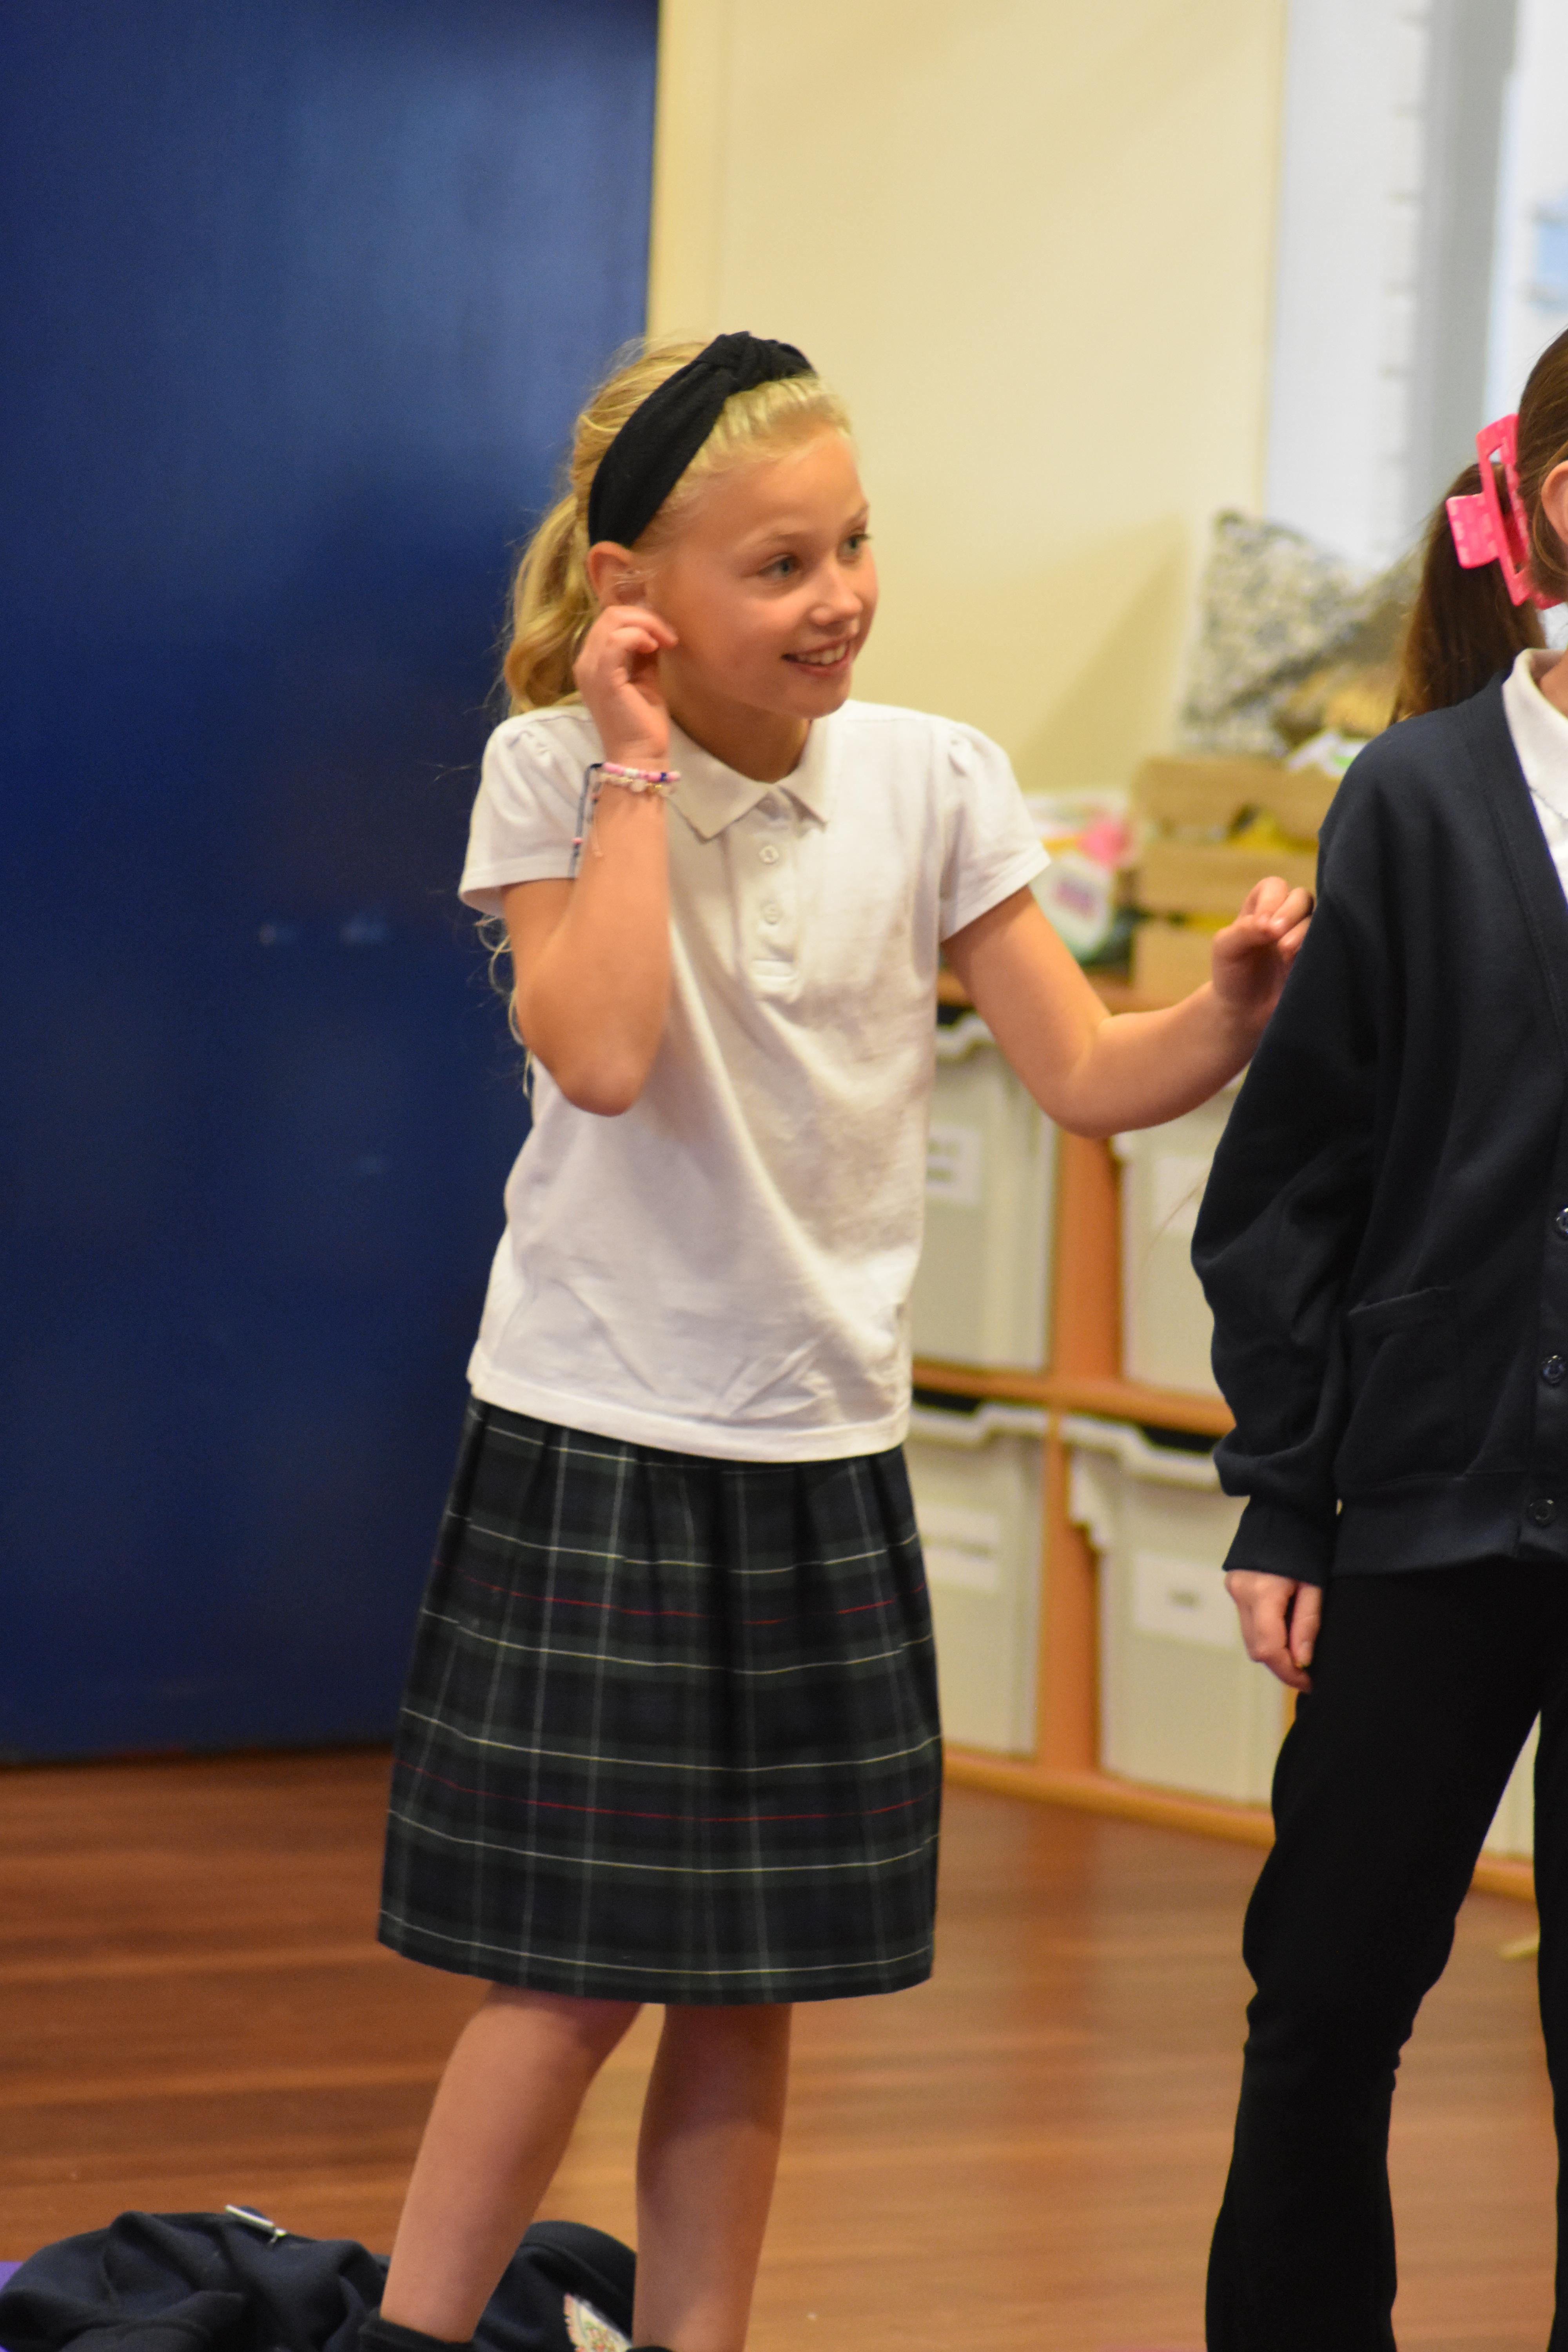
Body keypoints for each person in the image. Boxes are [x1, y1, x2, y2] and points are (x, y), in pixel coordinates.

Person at [364, 331, 1311, 2352]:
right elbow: (603, 1053)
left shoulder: (937, 777)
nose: (841, 597)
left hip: (819, 1447)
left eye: (855, 544)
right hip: (602, 1437)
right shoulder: (552, 772)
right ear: (635, 595)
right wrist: (633, 761)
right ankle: (406, 2340)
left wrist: (1231, 1004)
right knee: (569, 1978)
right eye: (780, 565)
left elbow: (1086, 1074)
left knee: (749, 1981)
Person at [1196, 320, 1568, 2351]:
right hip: (1433, 1500)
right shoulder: (1415, 802)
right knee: (1330, 1997)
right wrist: (1285, 1495)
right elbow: (1295, 1184)